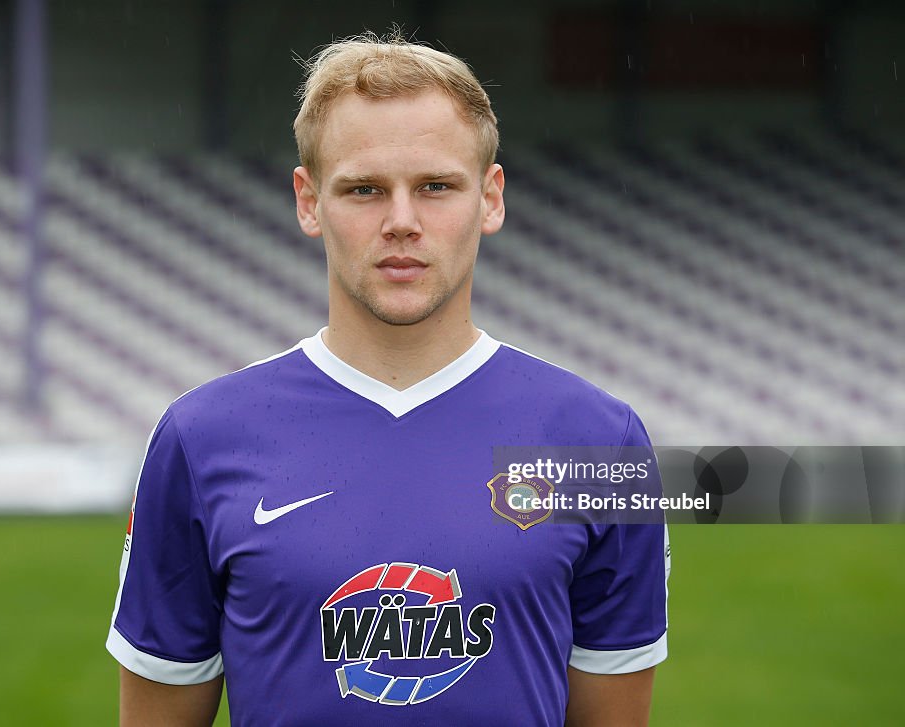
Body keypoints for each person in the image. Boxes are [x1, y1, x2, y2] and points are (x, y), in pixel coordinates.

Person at [107, 31, 668, 727]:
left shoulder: (601, 444)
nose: (401, 221)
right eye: (364, 189)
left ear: (490, 199)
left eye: (436, 186)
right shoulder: (198, 441)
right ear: (309, 201)